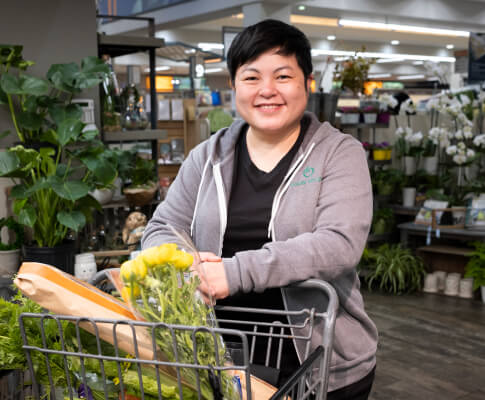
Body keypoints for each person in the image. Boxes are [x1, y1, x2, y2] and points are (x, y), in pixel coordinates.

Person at [142, 19, 378, 399]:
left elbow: (338, 244)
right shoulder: (207, 157)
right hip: (217, 359)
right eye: (251, 78)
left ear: (307, 83)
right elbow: (162, 226)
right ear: (234, 85)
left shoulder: (338, 153)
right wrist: (185, 264)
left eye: (283, 76)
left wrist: (232, 273)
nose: (267, 90)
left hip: (317, 365)